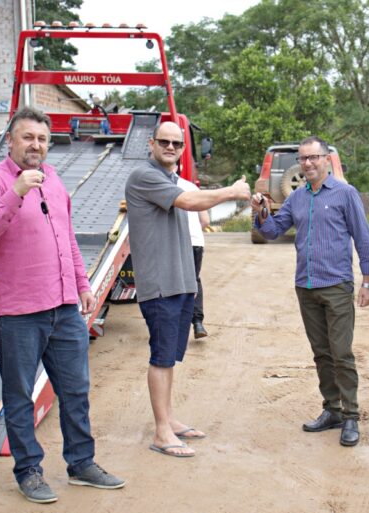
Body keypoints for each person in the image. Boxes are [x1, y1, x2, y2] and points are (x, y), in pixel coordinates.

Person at [0, 107, 124, 503]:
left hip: (64, 308)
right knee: (18, 395)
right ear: (11, 141)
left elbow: (66, 238)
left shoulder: (54, 180)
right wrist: (16, 191)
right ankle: (29, 471)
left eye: (41, 138)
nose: (35, 145)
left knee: (76, 390)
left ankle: (82, 464)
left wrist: (81, 284)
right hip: (18, 313)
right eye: (27, 138)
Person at [124, 121, 251, 457]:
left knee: (170, 359)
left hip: (179, 284)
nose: (170, 147)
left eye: (176, 144)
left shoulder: (171, 180)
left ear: (183, 149)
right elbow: (193, 203)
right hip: (161, 286)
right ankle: (162, 431)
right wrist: (232, 192)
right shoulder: (145, 177)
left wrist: (191, 286)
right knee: (161, 356)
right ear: (151, 143)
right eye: (164, 142)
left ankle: (169, 420)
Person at [251, 135, 369, 447]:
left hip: (336, 285)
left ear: (326, 160)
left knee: (342, 353)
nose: (307, 163)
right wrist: (261, 211)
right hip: (305, 286)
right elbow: (270, 231)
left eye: (313, 158)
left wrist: (367, 281)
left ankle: (351, 416)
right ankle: (331, 410)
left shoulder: (345, 193)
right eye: (303, 158)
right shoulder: (296, 197)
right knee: (321, 353)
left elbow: (363, 237)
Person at [176, 175, 210, 339]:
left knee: (174, 281)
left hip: (175, 242)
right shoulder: (192, 188)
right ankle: (197, 323)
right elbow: (205, 220)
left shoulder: (162, 185)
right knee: (194, 280)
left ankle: (175, 325)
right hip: (196, 242)